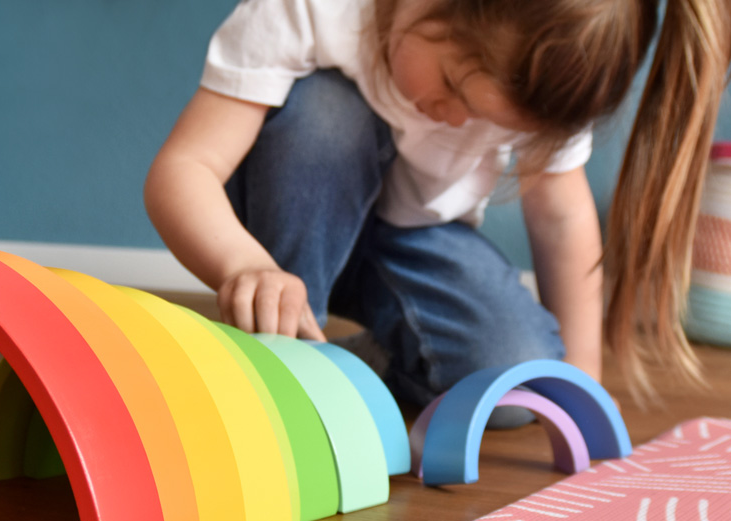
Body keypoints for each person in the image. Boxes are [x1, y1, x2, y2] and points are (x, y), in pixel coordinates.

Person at [143, 0, 731, 414]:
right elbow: (182, 171)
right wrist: (246, 267)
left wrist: (582, 386)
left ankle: (348, 363)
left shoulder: (539, 86)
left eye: (486, 121)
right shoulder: (313, 10)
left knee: (515, 380)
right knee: (327, 118)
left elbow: (560, 215)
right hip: (288, 232)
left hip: (409, 242)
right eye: (453, 85)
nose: (455, 118)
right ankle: (279, 360)